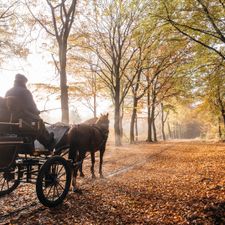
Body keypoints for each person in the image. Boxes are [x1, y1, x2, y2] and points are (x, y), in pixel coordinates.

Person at [5, 74, 55, 151]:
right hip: (23, 120)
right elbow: (33, 107)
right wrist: (37, 112)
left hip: (10, 122)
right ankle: (48, 142)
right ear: (23, 82)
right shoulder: (25, 92)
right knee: (39, 122)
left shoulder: (8, 92)